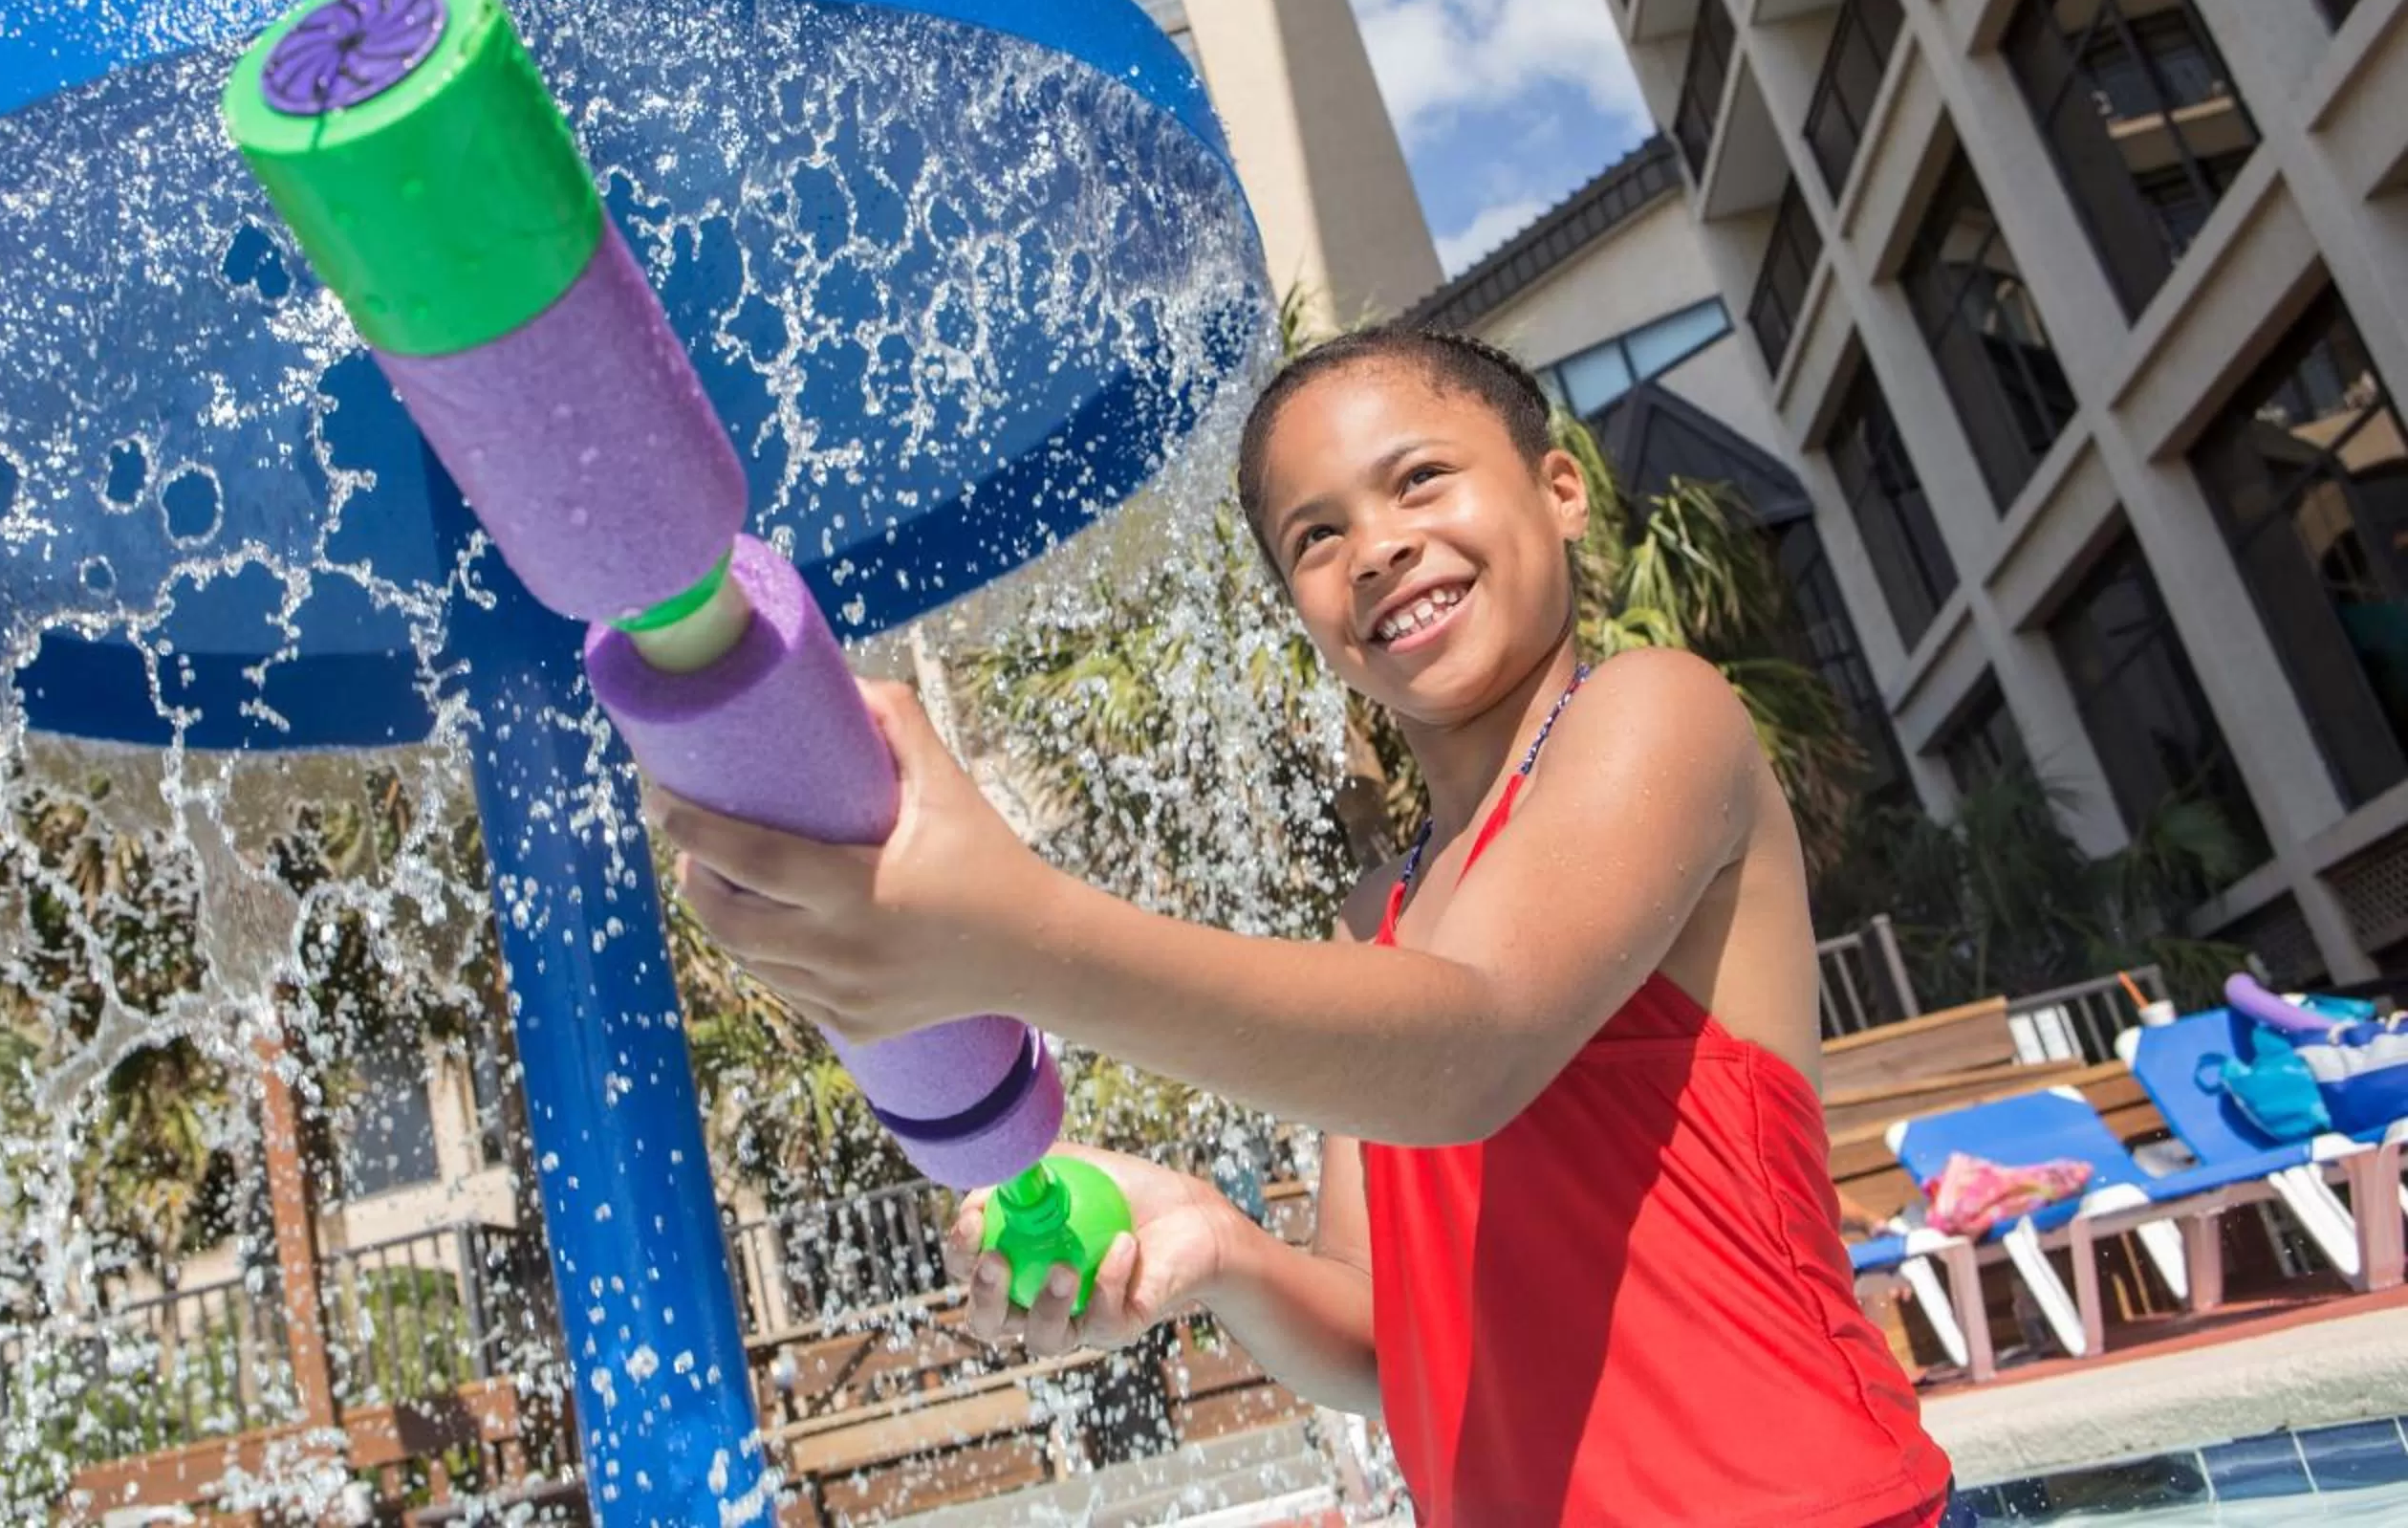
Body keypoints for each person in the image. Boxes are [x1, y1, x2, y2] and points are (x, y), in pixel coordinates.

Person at [653, 324, 1955, 1526]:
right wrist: (1219, 1247)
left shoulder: (1656, 717)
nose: (1377, 547)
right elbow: (1391, 1341)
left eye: (1422, 479)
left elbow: (1479, 1051)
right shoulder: (1373, 922)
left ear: (1561, 490)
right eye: (1315, 537)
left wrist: (1020, 935)